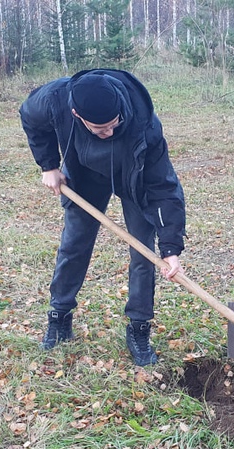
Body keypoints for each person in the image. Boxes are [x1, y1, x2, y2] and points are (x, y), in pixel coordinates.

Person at [19, 69, 187, 366]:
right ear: (76, 115)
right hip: (84, 178)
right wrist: (48, 165)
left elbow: (164, 187)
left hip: (132, 180)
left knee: (143, 253)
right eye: (100, 130)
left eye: (113, 125)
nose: (108, 133)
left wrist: (171, 249)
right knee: (74, 244)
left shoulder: (144, 125)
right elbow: (30, 117)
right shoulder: (56, 99)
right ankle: (60, 317)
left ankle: (139, 328)